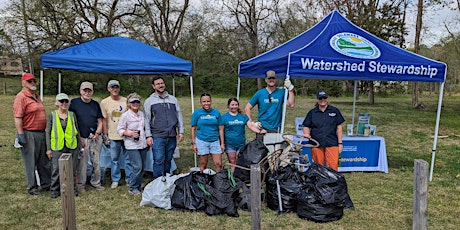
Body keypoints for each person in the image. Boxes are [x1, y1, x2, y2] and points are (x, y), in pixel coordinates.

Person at [13, 73, 51, 195]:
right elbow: (18, 117)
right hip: (29, 132)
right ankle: (32, 188)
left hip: (41, 132)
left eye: (34, 81)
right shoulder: (21, 97)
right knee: (31, 161)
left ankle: (46, 183)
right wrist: (21, 134)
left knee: (43, 160)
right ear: (23, 83)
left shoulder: (36, 96)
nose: (33, 83)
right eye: (30, 81)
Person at [144, 76, 184, 179]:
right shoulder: (149, 101)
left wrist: (181, 131)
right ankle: (157, 182)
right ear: (153, 86)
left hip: (171, 135)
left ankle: (167, 180)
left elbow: (178, 115)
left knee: (168, 159)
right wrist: (148, 136)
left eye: (162, 83)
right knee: (158, 160)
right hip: (157, 136)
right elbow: (146, 119)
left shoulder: (173, 99)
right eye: (158, 84)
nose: (160, 85)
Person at [69, 81, 105, 192]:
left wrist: (97, 133)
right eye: (85, 90)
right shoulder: (74, 103)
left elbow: (100, 121)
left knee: (96, 162)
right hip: (81, 138)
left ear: (92, 92)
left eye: (89, 90)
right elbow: (71, 121)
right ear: (80, 91)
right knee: (82, 163)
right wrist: (79, 137)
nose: (87, 93)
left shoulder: (95, 104)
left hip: (94, 137)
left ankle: (96, 182)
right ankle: (80, 185)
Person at [45, 93, 81, 198]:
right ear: (57, 103)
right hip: (57, 146)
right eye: (62, 101)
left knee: (72, 169)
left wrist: (79, 146)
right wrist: (48, 149)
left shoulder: (72, 114)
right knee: (56, 170)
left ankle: (72, 190)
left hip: (72, 145)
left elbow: (76, 130)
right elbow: (47, 132)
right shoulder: (52, 115)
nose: (64, 104)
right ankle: (55, 191)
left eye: (66, 101)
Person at [302, 90, 345, 171]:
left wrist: (340, 143)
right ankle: (320, 182)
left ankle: (333, 182)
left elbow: (339, 128)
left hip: (332, 142)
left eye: (324, 98)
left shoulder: (334, 111)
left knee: (333, 166)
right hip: (316, 143)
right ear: (317, 100)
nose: (322, 100)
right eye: (320, 98)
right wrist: (306, 133)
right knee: (318, 166)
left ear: (327, 99)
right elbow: (306, 126)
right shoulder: (312, 112)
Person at [244, 70, 295, 138]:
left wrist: (290, 89)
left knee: (275, 148)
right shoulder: (260, 93)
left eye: (273, 78)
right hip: (262, 129)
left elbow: (291, 104)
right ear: (266, 80)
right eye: (269, 78)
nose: (271, 80)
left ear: (275, 79)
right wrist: (252, 122)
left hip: (276, 129)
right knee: (261, 148)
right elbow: (247, 108)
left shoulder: (281, 92)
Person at [101, 79, 131, 189]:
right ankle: (115, 179)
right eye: (112, 87)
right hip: (113, 136)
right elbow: (104, 120)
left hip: (126, 135)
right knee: (114, 159)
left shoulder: (125, 101)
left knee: (128, 159)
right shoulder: (104, 102)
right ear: (108, 89)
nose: (115, 89)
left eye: (116, 87)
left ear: (119, 88)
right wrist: (105, 135)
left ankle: (129, 179)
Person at [117, 93, 148, 195]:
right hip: (132, 145)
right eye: (133, 102)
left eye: (137, 102)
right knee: (137, 166)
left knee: (143, 167)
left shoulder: (142, 114)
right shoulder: (125, 116)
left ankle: (138, 186)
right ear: (129, 104)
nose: (135, 104)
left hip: (142, 143)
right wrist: (129, 133)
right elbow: (120, 130)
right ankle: (132, 187)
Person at [221, 98, 260, 172]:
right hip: (229, 144)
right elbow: (221, 131)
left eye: (236, 105)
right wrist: (222, 143)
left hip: (241, 144)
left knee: (240, 162)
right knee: (232, 162)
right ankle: (233, 179)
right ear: (228, 106)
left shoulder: (243, 116)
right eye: (232, 105)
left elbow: (250, 126)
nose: (234, 106)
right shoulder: (224, 117)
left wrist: (259, 131)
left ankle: (240, 178)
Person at [190, 93, 224, 172]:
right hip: (202, 141)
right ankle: (203, 181)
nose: (206, 103)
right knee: (203, 163)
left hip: (214, 141)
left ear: (211, 101)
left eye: (208, 101)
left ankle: (218, 181)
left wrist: (222, 143)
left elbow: (221, 129)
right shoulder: (197, 113)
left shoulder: (216, 113)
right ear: (201, 102)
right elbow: (193, 129)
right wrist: (194, 143)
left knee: (218, 164)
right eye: (204, 101)